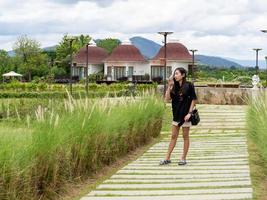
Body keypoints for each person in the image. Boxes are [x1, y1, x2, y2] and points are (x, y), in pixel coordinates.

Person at [159, 67, 197, 166]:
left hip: (185, 116)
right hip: (176, 115)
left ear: (183, 75)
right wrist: (169, 86)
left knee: (185, 136)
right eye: (174, 74)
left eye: (177, 73)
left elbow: (194, 100)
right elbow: (167, 99)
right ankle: (167, 158)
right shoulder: (174, 86)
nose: (175, 75)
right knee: (173, 136)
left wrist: (189, 113)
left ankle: (183, 158)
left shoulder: (189, 85)